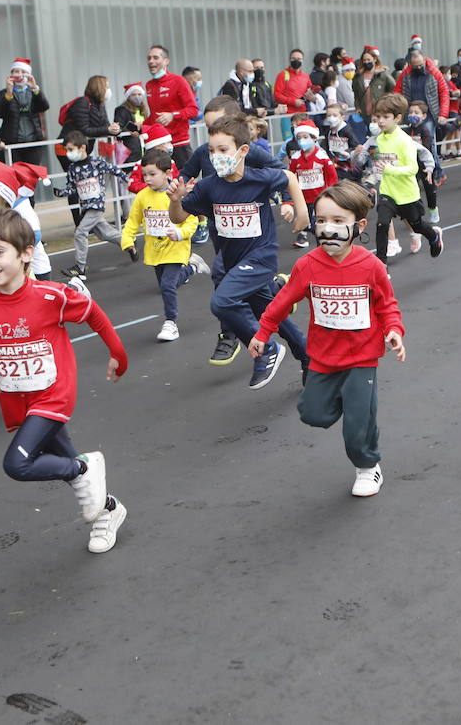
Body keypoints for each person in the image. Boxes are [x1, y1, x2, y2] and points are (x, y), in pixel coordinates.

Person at [0, 208, 130, 554]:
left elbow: (93, 313)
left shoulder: (50, 296)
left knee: (18, 464)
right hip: (18, 399)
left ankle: (84, 467)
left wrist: (118, 353)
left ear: (26, 254)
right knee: (70, 467)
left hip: (53, 395)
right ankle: (109, 509)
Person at [248, 180, 405, 497]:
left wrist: (394, 331)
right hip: (323, 356)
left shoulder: (371, 266)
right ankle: (351, 406)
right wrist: (263, 332)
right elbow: (281, 302)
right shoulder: (307, 265)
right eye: (321, 220)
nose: (327, 228)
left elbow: (387, 305)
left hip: (362, 357)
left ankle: (367, 467)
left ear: (359, 226)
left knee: (358, 425)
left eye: (338, 220)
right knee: (313, 414)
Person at [167, 114, 309, 390]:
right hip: (234, 262)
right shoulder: (208, 187)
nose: (215, 156)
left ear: (243, 151)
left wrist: (301, 211)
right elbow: (178, 216)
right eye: (211, 151)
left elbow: (289, 177)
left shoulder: (259, 179)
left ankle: (266, 349)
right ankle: (309, 358)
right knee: (273, 315)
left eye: (223, 150)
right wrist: (175, 200)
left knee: (222, 302)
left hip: (261, 259)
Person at [120, 147, 210, 341]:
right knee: (167, 285)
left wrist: (180, 233)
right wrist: (128, 240)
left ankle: (171, 323)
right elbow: (133, 221)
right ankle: (192, 267)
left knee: (167, 286)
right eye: (144, 175)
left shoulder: (177, 195)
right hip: (155, 251)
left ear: (168, 173)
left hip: (176, 249)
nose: (147, 179)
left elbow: (191, 220)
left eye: (152, 174)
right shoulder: (143, 196)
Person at [368, 93, 443, 264]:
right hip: (387, 192)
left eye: (385, 117)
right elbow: (379, 163)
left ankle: (433, 236)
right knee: (382, 224)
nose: (380, 121)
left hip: (407, 194)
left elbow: (413, 168)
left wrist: (390, 169)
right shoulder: (379, 139)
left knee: (417, 225)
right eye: (378, 117)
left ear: (397, 118)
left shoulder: (405, 141)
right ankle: (381, 265)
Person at [55, 130, 133, 280]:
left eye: (71, 149)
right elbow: (72, 188)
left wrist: (128, 180)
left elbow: (114, 170)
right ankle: (128, 243)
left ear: (83, 147)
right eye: (66, 150)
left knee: (80, 232)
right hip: (85, 206)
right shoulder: (72, 169)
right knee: (104, 233)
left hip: (97, 205)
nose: (68, 153)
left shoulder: (97, 162)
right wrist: (61, 193)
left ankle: (80, 267)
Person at [0, 159, 54, 281]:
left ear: (4, 195)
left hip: (34, 270)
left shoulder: (18, 214)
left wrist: (15, 246)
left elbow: (35, 235)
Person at [144, 44, 200, 168]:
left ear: (166, 61)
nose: (151, 61)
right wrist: (141, 126)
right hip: (158, 146)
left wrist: (172, 115)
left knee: (184, 179)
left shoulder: (178, 81)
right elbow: (154, 116)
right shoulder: (149, 85)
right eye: (149, 58)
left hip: (179, 144)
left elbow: (194, 110)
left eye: (155, 58)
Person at [286, 120, 338, 248]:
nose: (302, 140)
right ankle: (303, 237)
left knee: (317, 224)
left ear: (314, 138)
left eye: (305, 137)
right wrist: (291, 197)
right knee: (304, 220)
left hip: (319, 197)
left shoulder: (322, 156)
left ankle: (322, 246)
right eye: (299, 138)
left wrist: (331, 194)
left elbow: (332, 176)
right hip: (303, 198)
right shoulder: (295, 158)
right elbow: (291, 176)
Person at [0, 58, 49, 166]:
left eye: (23, 72)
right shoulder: (4, 93)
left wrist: (35, 89)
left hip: (33, 141)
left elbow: (44, 106)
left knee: (32, 171)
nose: (20, 75)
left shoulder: (33, 91)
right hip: (13, 142)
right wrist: (8, 94)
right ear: (11, 75)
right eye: (16, 71)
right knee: (15, 171)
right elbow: (0, 113)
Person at [57, 75, 118, 169]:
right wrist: (107, 129)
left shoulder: (100, 104)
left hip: (83, 148)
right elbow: (84, 130)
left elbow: (105, 125)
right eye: (107, 87)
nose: (109, 90)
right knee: (77, 175)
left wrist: (115, 129)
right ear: (99, 87)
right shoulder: (82, 102)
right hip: (69, 148)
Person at [394, 49, 450, 138]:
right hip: (411, 113)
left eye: (420, 65)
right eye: (416, 66)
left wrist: (443, 114)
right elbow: (397, 93)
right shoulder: (405, 75)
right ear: (410, 64)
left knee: (428, 134)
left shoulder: (434, 73)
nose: (419, 68)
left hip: (430, 114)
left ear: (424, 59)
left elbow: (444, 93)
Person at [351, 46, 394, 141]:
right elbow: (356, 93)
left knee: (381, 137)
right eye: (364, 60)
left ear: (375, 59)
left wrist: (386, 104)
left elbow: (393, 88)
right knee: (366, 138)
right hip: (364, 113)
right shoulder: (358, 76)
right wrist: (357, 107)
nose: (366, 62)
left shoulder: (382, 75)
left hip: (379, 112)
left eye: (369, 59)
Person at [113, 82, 149, 164]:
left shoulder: (143, 109)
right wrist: (131, 130)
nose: (137, 97)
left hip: (144, 147)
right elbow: (118, 128)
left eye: (139, 94)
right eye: (134, 94)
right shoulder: (122, 110)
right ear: (128, 96)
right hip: (130, 149)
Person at [274, 48, 312, 114]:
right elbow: (277, 95)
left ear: (303, 60)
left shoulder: (305, 76)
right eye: (293, 58)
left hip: (303, 113)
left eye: (299, 59)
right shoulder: (282, 75)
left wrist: (312, 98)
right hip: (287, 114)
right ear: (290, 59)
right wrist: (293, 102)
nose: (296, 61)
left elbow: (310, 92)